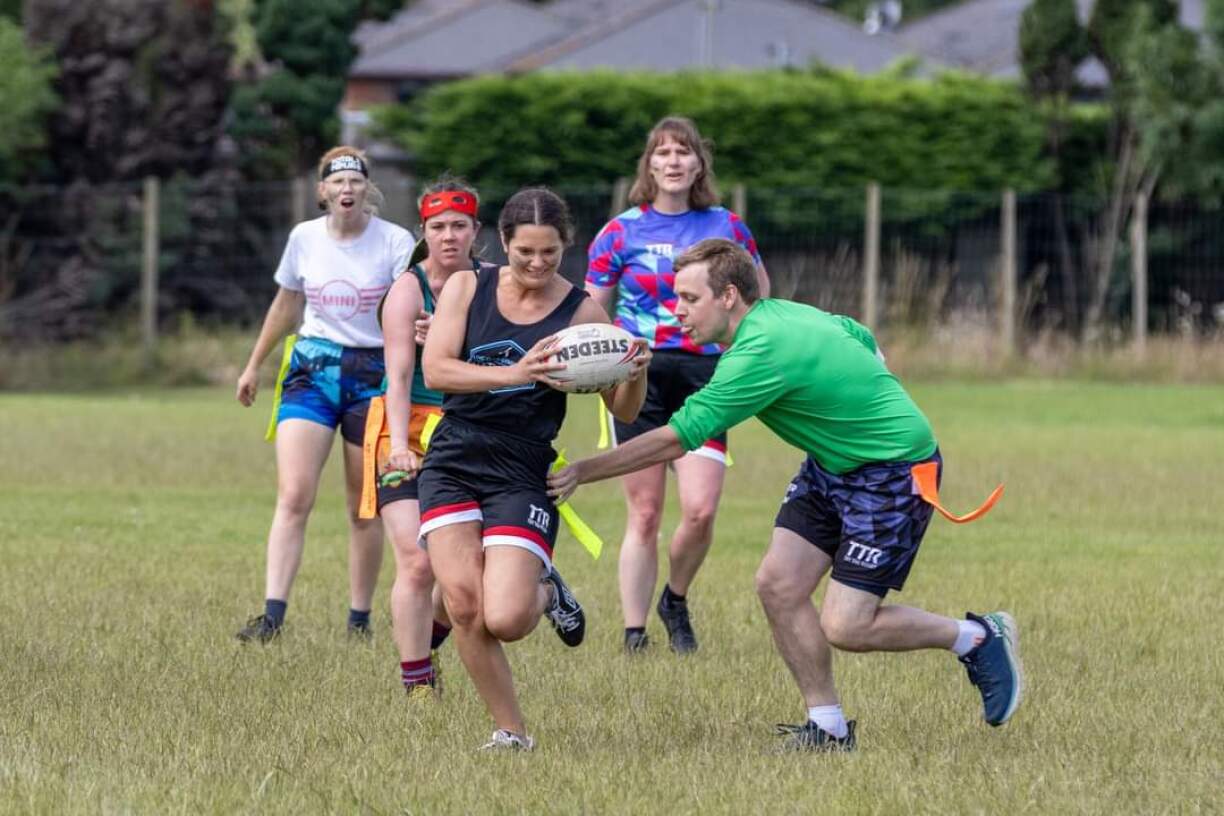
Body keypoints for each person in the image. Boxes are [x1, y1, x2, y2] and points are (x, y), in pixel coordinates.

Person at [550, 238, 1023, 752]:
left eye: (689, 299)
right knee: (778, 585)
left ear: (728, 296)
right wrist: (867, 392)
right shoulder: (781, 313)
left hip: (893, 472)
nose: (677, 311)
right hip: (832, 467)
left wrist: (582, 470)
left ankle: (976, 637)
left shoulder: (757, 354)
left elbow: (674, 437)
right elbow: (857, 332)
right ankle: (828, 727)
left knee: (847, 625)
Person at [420, 187, 650, 750]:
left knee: (507, 618)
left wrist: (636, 369)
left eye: (550, 253)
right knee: (465, 605)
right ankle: (512, 733)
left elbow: (623, 409)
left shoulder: (582, 312)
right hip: (455, 454)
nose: (538, 264)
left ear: (565, 246)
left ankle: (547, 592)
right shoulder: (467, 288)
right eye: (526, 252)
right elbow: (438, 370)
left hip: (523, 466)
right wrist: (517, 374)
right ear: (503, 242)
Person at [586, 115, 769, 655]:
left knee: (700, 509)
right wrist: (601, 356)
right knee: (643, 513)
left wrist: (745, 352)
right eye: (662, 153)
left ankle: (676, 597)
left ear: (699, 164)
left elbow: (759, 296)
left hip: (705, 375)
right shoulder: (620, 230)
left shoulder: (727, 227)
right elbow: (590, 305)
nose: (673, 161)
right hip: (638, 376)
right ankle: (634, 633)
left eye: (683, 152)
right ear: (649, 164)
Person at [235, 146, 414, 642]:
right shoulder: (304, 239)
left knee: (363, 506)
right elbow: (286, 302)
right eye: (338, 183)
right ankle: (272, 616)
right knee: (294, 494)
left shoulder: (395, 242)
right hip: (312, 368)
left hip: (371, 373)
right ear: (323, 191)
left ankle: (359, 618)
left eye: (356, 181)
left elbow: (412, 306)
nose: (347, 190)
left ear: (367, 188)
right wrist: (254, 366)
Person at [360, 176, 492, 700]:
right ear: (424, 231)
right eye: (438, 227)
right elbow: (396, 375)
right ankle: (417, 683)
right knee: (416, 560)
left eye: (459, 225)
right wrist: (396, 446)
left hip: (471, 428)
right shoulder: (407, 290)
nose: (449, 236)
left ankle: (430, 639)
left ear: (475, 231)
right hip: (405, 426)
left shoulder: (491, 283)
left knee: (466, 567)